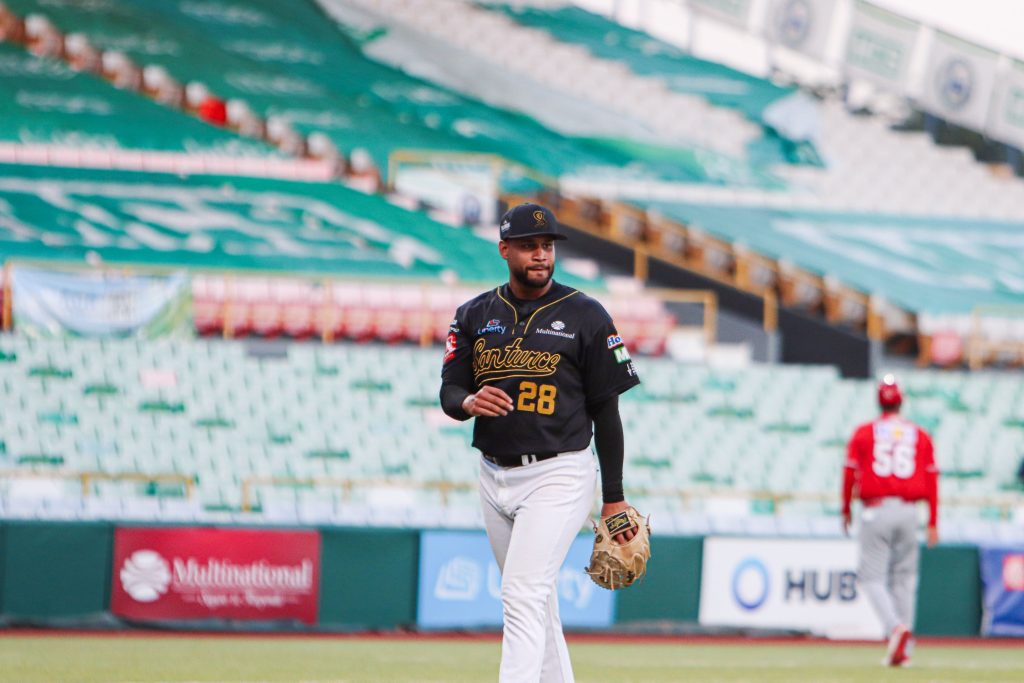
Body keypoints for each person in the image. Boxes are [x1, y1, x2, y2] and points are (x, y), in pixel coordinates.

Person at [440, 202, 641, 682]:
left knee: (521, 594)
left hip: (559, 473)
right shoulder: (474, 314)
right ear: (504, 250)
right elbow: (449, 390)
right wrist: (467, 401)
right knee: (536, 601)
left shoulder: (586, 315)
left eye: (547, 245)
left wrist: (613, 498)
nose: (540, 254)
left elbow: (607, 411)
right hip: (494, 474)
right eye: (529, 245)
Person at [842, 374, 939, 668]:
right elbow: (932, 479)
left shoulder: (864, 433)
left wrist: (845, 508)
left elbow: (849, 472)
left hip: (876, 509)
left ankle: (895, 629)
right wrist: (933, 520)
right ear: (901, 401)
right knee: (904, 579)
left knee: (871, 577)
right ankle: (904, 647)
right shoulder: (920, 434)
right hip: (909, 511)